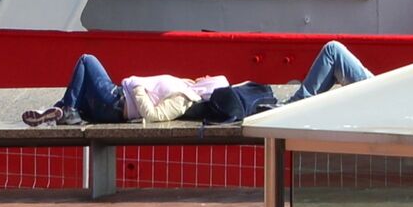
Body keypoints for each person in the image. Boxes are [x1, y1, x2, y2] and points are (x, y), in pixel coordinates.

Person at [26, 41, 372, 129]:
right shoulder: (192, 92)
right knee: (332, 53)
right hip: (290, 105)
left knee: (87, 61)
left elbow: (152, 115)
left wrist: (133, 84)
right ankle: (64, 109)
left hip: (119, 100)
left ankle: (64, 110)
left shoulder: (189, 94)